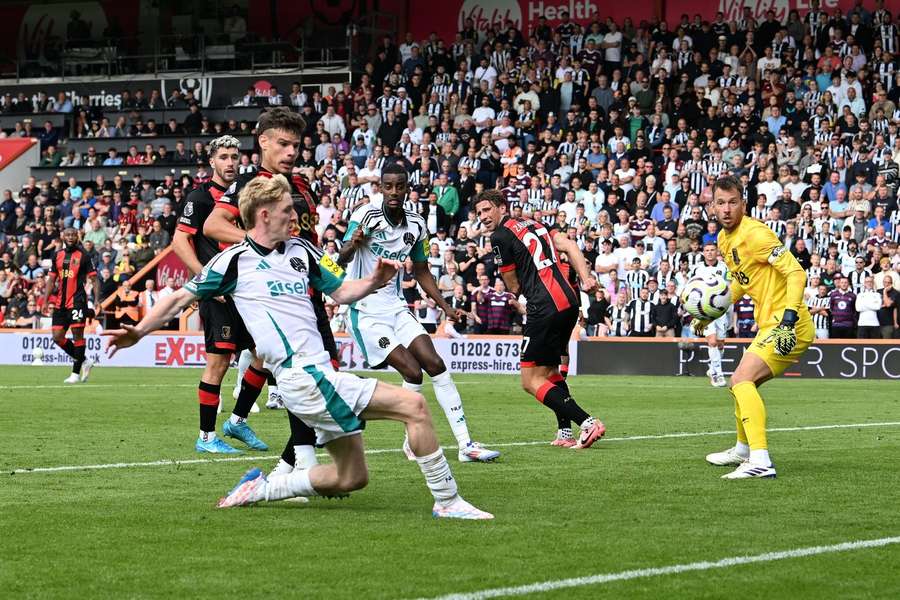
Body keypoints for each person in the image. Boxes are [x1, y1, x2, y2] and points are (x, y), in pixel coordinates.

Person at [103, 175, 492, 519]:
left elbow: (341, 290)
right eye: (288, 210)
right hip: (302, 377)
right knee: (415, 406)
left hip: (317, 374)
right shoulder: (233, 262)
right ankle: (447, 500)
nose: (296, 217)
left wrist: (373, 280)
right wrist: (139, 332)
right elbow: (177, 298)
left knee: (351, 478)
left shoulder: (303, 251)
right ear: (263, 215)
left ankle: (262, 489)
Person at [203, 108, 335, 479]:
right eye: (283, 143)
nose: (292, 151)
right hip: (278, 299)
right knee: (312, 381)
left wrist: (342, 271)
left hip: (311, 296)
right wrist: (263, 243)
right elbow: (214, 225)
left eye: (296, 144)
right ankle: (291, 470)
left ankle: (288, 468)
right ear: (263, 142)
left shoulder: (304, 187)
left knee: (315, 382)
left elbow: (311, 247)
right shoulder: (251, 184)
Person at [338, 162, 499, 462]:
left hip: (397, 307)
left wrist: (446, 306)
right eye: (388, 186)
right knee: (412, 371)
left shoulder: (417, 224)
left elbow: (422, 271)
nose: (394, 192)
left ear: (408, 188)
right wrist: (352, 244)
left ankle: (466, 445)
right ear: (381, 188)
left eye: (400, 186)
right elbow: (342, 255)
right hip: (366, 310)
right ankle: (398, 432)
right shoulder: (364, 215)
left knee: (435, 364)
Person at [701, 176, 814, 479]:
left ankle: (760, 460)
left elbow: (796, 272)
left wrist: (789, 318)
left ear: (744, 204)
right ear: (712, 206)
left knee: (740, 380)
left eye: (733, 202)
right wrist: (711, 311)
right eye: (720, 203)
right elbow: (740, 281)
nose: (726, 209)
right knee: (742, 384)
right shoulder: (724, 240)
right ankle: (743, 449)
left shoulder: (756, 234)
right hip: (771, 323)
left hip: (789, 323)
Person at [475, 189, 605, 449]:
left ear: (502, 207)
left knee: (529, 380)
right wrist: (586, 278)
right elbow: (569, 244)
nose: (483, 217)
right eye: (479, 213)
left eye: (487, 209)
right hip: (569, 301)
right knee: (550, 372)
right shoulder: (536, 224)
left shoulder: (500, 235)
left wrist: (524, 284)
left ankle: (588, 423)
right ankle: (565, 432)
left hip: (544, 306)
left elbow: (512, 286)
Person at [172, 135, 267, 454]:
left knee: (264, 355)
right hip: (219, 295)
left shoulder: (245, 195)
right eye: (223, 157)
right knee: (219, 363)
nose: (230, 162)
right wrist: (204, 278)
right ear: (211, 161)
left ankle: (237, 421)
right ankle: (207, 437)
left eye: (234, 156)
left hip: (248, 293)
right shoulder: (199, 198)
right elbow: (179, 241)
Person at [43, 228, 100, 384]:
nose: (70, 237)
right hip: (60, 303)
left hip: (77, 302)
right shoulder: (57, 255)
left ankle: (75, 373)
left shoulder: (84, 256)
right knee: (57, 337)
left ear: (77, 237)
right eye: (67, 235)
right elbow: (51, 280)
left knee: (77, 335)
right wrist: (46, 300)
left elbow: (94, 280)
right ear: (63, 237)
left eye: (73, 235)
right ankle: (84, 361)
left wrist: (96, 300)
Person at [690, 242, 731, 387]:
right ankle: (717, 375)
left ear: (717, 251)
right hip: (704, 311)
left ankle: (712, 368)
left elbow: (730, 286)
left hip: (721, 310)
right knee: (712, 341)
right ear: (703, 253)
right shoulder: (697, 269)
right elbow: (691, 287)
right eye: (707, 250)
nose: (709, 252)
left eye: (712, 250)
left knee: (720, 344)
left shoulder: (725, 267)